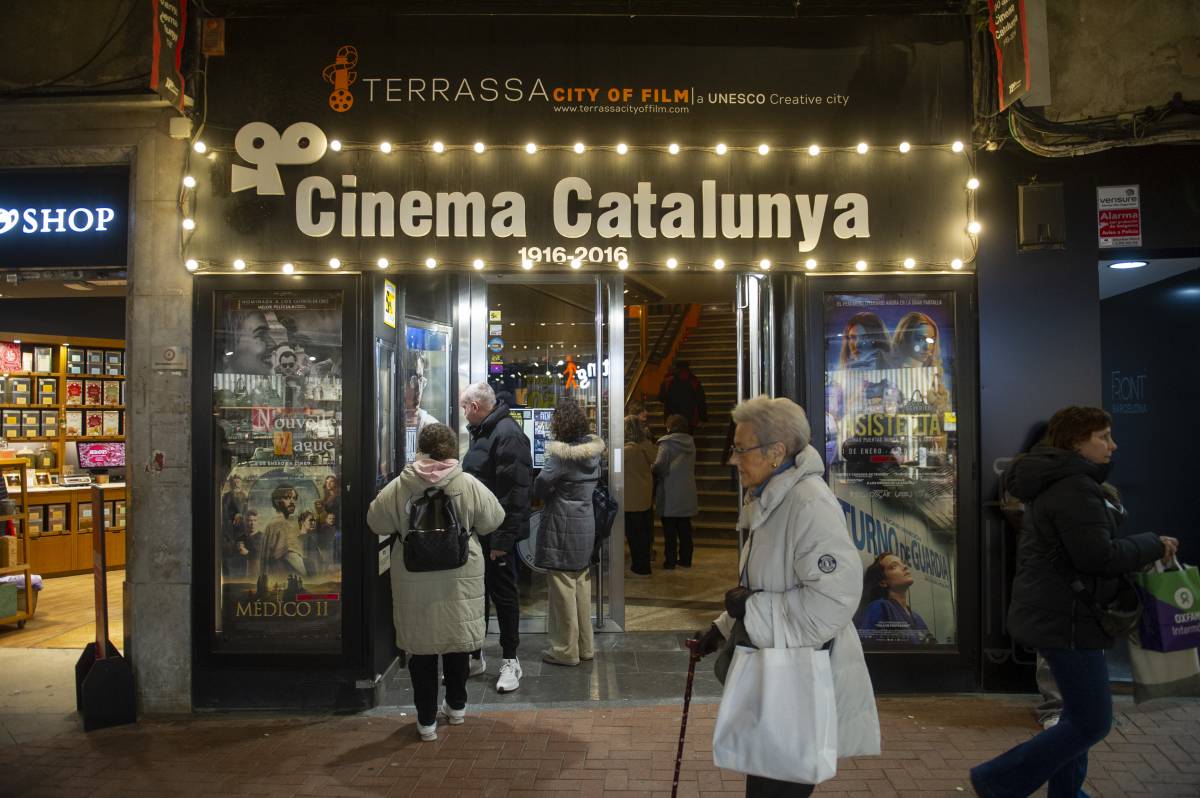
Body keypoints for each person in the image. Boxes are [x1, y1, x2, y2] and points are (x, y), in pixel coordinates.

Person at [970, 406, 1178, 798]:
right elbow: (1097, 557)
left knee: (1076, 716)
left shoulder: (1066, 481)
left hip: (1063, 613)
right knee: (1092, 722)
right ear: (1075, 442)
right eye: (1103, 437)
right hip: (1068, 617)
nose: (1112, 445)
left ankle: (1066, 793)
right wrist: (1152, 543)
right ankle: (997, 780)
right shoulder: (1074, 487)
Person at [690, 396, 880, 797]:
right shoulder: (772, 497)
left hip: (797, 685)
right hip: (778, 677)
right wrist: (724, 627)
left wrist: (752, 608)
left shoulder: (808, 503)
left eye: (741, 449)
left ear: (776, 452)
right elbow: (769, 582)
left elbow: (833, 601)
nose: (733, 459)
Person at [366, 423, 504, 742]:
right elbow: (494, 518)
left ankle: (426, 721)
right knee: (456, 644)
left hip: (414, 578)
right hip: (460, 579)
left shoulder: (401, 485)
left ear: (421, 448)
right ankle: (456, 707)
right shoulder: (467, 483)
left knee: (422, 650)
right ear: (452, 449)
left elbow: (375, 521)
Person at [459, 381, 533, 693]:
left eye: (465, 407)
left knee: (503, 596)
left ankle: (510, 661)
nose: (464, 412)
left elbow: (516, 492)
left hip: (496, 536)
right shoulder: (485, 432)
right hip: (480, 533)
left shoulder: (506, 434)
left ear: (475, 407)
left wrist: (502, 542)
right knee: (478, 596)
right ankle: (476, 655)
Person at [534, 399, 605, 666]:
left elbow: (541, 484)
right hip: (585, 523)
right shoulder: (594, 453)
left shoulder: (561, 456)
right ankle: (585, 647)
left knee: (562, 589)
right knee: (581, 585)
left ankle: (565, 650)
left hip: (561, 527)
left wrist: (546, 493)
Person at [854, 553, 934, 645]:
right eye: (894, 566)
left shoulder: (917, 618)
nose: (904, 567)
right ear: (883, 582)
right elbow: (863, 645)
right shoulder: (879, 607)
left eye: (903, 563)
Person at [654, 414, 698, 569]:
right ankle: (686, 559)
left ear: (669, 426)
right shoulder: (690, 443)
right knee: (685, 528)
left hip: (669, 489)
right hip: (686, 489)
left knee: (670, 530)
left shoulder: (666, 443)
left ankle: (670, 560)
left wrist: (652, 469)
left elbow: (659, 464)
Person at [623, 415, 656, 576]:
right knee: (644, 532)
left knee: (634, 535)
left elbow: (609, 459)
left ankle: (640, 566)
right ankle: (644, 564)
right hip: (645, 495)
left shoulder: (628, 450)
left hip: (630, 498)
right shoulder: (647, 446)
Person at [658, 360, 707, 434]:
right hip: (690, 418)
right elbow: (701, 401)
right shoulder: (694, 380)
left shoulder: (668, 380)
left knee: (673, 439)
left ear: (676, 368)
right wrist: (703, 418)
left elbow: (661, 398)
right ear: (688, 368)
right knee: (687, 438)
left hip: (672, 418)